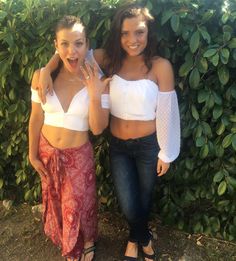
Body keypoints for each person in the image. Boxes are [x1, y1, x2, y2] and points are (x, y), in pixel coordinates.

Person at [37, 4, 180, 261]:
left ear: (148, 32)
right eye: (125, 33)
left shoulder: (161, 66)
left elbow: (168, 113)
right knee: (128, 203)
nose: (132, 40)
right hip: (119, 147)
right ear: (118, 35)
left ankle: (134, 240)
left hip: (149, 146)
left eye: (139, 32)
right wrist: (47, 69)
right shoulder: (108, 60)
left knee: (143, 200)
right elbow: (72, 50)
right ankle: (144, 237)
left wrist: (167, 152)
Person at [28, 15, 110, 261]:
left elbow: (97, 129)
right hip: (47, 151)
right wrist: (32, 154)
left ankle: (86, 240)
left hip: (78, 155)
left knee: (80, 204)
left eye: (78, 43)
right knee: (55, 200)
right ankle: (66, 237)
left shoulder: (97, 79)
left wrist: (95, 96)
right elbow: (35, 120)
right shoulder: (41, 76)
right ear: (56, 45)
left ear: (87, 46)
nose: (71, 50)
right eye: (64, 44)